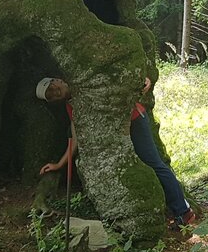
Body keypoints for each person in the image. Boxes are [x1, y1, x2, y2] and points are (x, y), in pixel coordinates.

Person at [36, 76, 196, 226]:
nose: (55, 92)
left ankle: (183, 211)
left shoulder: (85, 81)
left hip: (134, 120)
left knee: (153, 163)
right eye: (50, 96)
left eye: (52, 87)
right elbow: (76, 137)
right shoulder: (71, 106)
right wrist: (59, 164)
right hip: (115, 133)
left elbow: (118, 79)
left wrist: (142, 81)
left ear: (58, 80)